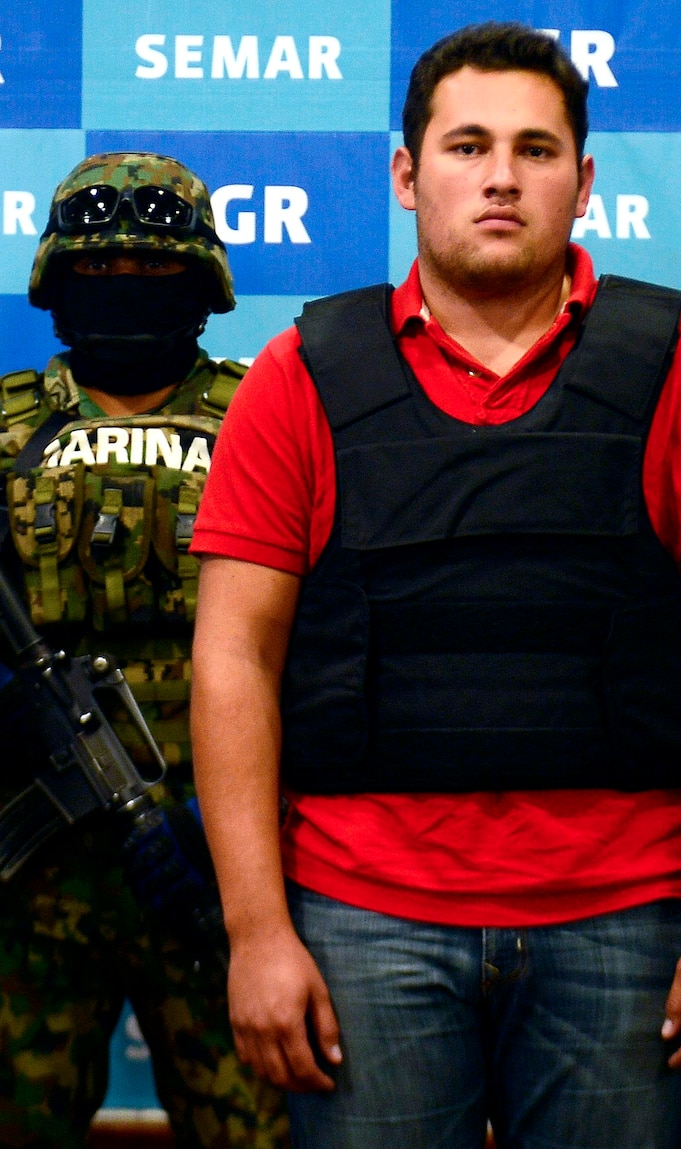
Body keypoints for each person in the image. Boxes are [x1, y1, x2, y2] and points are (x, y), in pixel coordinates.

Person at [190, 22, 681, 1149]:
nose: (502, 177)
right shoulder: (301, 376)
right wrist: (256, 931)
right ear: (407, 174)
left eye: (535, 149)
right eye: (468, 145)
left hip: (630, 920)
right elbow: (236, 653)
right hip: (360, 922)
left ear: (583, 182)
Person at [0, 153, 292, 1148]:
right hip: (33, 883)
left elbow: (335, 633)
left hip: (223, 861)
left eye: (155, 277)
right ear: (56, 285)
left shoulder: (265, 415)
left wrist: (227, 827)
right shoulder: (8, 429)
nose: (125, 294)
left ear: (201, 286)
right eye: (99, 275)